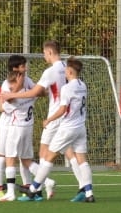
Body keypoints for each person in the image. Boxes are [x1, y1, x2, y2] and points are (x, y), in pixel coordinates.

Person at [24, 57, 95, 202]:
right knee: (82, 160)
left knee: (49, 156)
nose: (65, 72)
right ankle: (89, 193)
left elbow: (63, 110)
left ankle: (33, 189)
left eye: (66, 70)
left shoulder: (67, 88)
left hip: (68, 128)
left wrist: (49, 119)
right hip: (81, 127)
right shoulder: (83, 85)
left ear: (70, 71)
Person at [0, 55, 43, 201]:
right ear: (15, 68)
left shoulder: (26, 81)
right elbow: (4, 104)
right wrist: (21, 88)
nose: (26, 68)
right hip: (10, 125)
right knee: (11, 159)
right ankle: (0, 189)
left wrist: (19, 90)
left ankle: (22, 188)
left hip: (17, 125)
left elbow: (7, 103)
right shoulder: (6, 84)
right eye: (23, 66)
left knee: (14, 159)